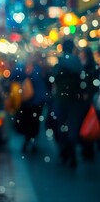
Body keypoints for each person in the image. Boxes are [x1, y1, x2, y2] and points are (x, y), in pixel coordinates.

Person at [51, 39, 84, 168]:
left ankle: (64, 152)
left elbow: (54, 78)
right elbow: (81, 79)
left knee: (62, 125)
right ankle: (72, 153)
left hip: (62, 100)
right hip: (75, 100)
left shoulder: (61, 62)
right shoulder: (76, 62)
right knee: (73, 126)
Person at [14, 57, 48, 153]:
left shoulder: (33, 75)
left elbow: (31, 92)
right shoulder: (38, 72)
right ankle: (31, 143)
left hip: (33, 103)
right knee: (33, 124)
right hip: (37, 103)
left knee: (31, 124)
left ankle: (29, 142)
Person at [78, 46, 99, 161]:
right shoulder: (92, 66)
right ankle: (89, 149)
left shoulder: (87, 67)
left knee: (87, 123)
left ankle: (87, 149)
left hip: (88, 101)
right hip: (91, 100)